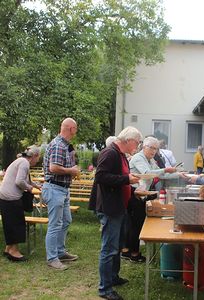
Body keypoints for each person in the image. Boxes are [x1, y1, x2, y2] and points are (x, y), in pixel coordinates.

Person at [89, 126, 142, 300]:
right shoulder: (110, 152)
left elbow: (120, 177)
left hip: (120, 207)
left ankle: (113, 277)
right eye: (137, 142)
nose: (137, 146)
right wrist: (127, 179)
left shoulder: (121, 155)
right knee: (109, 249)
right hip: (110, 208)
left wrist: (130, 182)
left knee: (117, 246)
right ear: (128, 140)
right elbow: (101, 177)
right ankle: (105, 289)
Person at [121, 136, 179, 263]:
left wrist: (179, 174)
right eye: (151, 148)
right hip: (134, 193)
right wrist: (165, 169)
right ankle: (133, 253)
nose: (154, 151)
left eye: (156, 149)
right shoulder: (139, 157)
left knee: (134, 223)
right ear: (144, 147)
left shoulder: (150, 159)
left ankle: (127, 251)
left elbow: (160, 173)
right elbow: (148, 172)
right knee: (135, 224)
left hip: (141, 193)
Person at [42, 117, 80, 270]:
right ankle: (52, 258)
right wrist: (71, 171)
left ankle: (60, 251)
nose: (76, 132)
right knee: (55, 224)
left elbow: (63, 166)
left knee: (66, 220)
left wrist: (73, 170)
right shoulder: (58, 145)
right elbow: (53, 168)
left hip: (62, 189)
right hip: (55, 189)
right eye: (75, 129)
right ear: (70, 128)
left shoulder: (65, 145)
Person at [0, 145, 41, 262]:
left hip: (4, 197)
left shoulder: (20, 160)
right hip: (11, 198)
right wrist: (29, 188)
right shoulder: (24, 163)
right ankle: (14, 252)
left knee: (9, 223)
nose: (38, 161)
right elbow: (19, 181)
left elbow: (24, 179)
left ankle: (8, 248)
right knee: (17, 223)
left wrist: (34, 184)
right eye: (38, 158)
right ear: (34, 156)